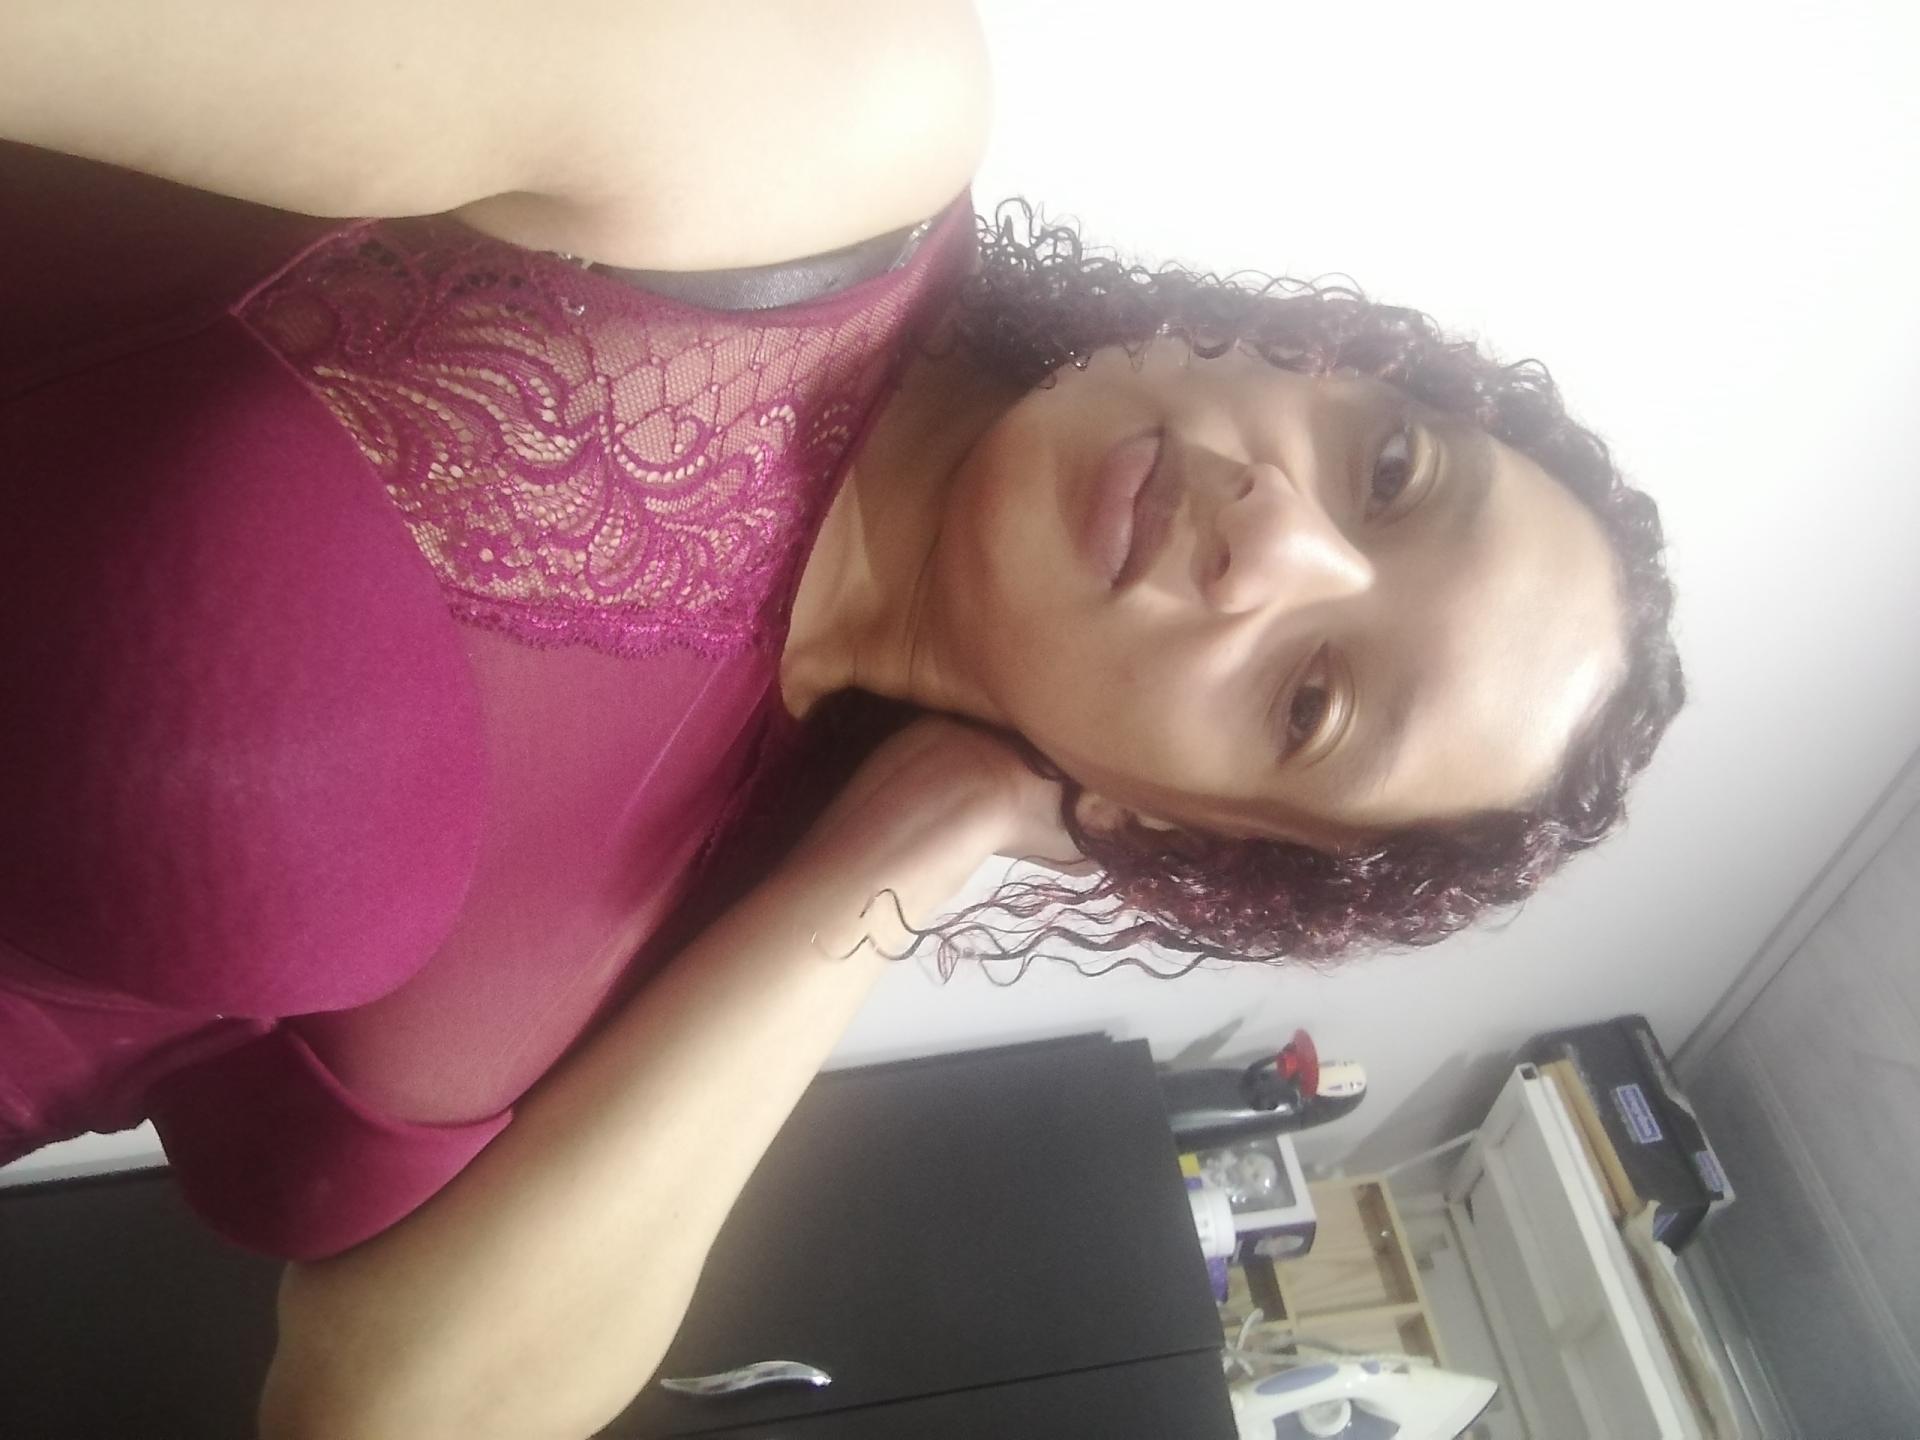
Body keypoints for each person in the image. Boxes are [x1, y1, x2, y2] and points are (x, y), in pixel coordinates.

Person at [0, 3, 1681, 1435]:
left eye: (1311, 699)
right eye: (1389, 468)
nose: (1276, 540)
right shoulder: (823, 128)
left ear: (1182, 827)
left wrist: (901, 856)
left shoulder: (743, 900)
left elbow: (385, 1411)